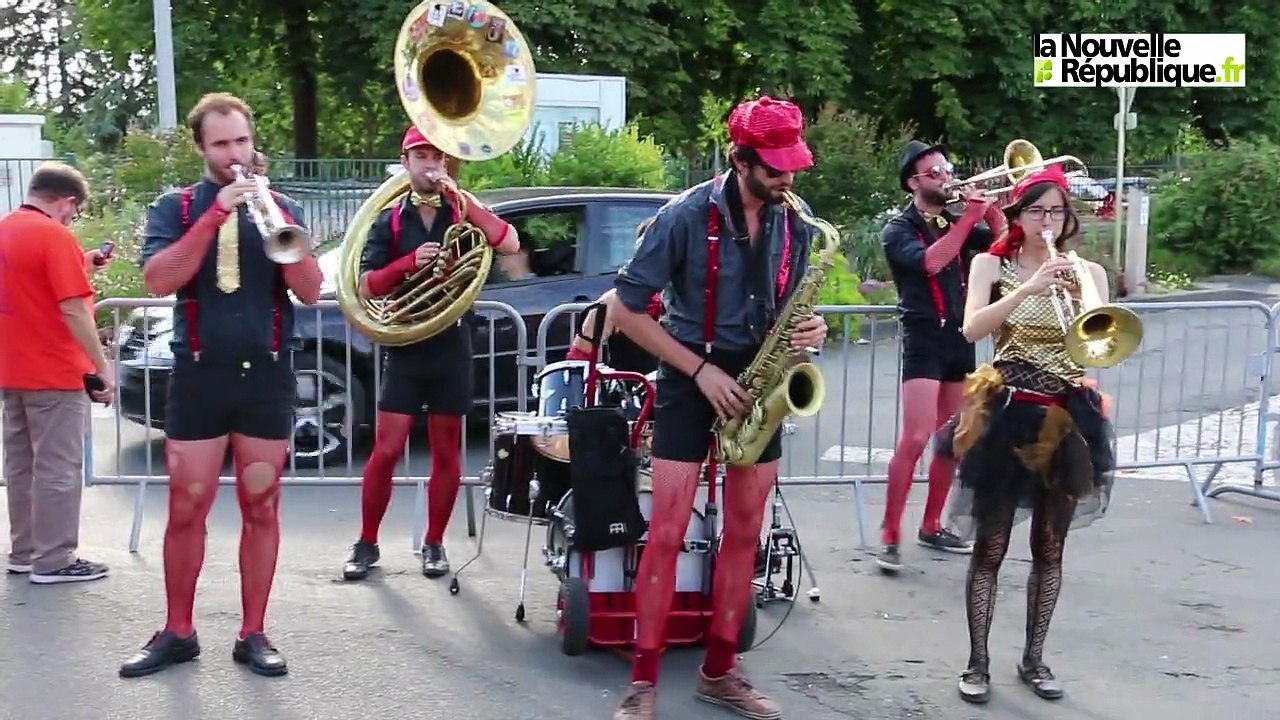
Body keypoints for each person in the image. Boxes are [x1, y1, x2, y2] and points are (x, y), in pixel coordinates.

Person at [608, 95, 828, 720]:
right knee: (668, 535)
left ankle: (720, 671)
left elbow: (790, 307)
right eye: (776, 168)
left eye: (793, 166)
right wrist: (700, 371)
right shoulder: (682, 216)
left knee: (745, 536)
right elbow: (625, 311)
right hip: (688, 377)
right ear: (740, 159)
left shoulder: (795, 222)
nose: (789, 179)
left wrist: (807, 331)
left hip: (759, 381)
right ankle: (643, 681)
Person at [118, 92, 324, 678]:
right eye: (221, 144)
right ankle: (177, 631)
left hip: (266, 375)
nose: (235, 154)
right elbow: (159, 280)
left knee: (262, 506)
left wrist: (278, 223)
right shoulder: (175, 208)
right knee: (186, 508)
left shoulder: (280, 206)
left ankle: (253, 632)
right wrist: (215, 214)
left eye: (241, 141)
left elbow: (309, 290)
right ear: (201, 148)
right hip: (200, 375)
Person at [934, 163, 1115, 704]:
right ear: (1015, 214)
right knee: (990, 545)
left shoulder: (1089, 272)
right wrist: (1029, 287)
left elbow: (1099, 345)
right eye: (1036, 211)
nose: (1048, 221)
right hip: (1008, 410)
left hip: (1066, 414)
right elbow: (971, 329)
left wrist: (1094, 377)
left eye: (1057, 211)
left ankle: (1035, 658)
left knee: (1050, 547)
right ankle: (977, 662)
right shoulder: (992, 262)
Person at [341, 126, 521, 582]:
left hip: (452, 344)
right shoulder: (389, 219)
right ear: (405, 163)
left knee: (446, 451)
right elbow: (366, 286)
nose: (429, 163)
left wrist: (467, 201)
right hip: (405, 345)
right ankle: (366, 543)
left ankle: (435, 543)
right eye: (420, 155)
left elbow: (509, 243)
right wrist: (408, 265)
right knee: (386, 449)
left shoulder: (462, 209)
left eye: (437, 155)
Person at [875, 140, 1007, 572]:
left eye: (947, 169)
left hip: (958, 336)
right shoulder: (899, 229)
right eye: (935, 173)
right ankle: (889, 533)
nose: (946, 177)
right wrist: (969, 217)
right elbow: (933, 262)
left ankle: (931, 525)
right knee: (914, 438)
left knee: (953, 438)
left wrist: (988, 208)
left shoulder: (955, 220)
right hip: (924, 336)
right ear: (913, 183)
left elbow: (1004, 243)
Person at [0, 162, 113, 584]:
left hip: (12, 367)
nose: (72, 218)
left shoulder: (5, 228)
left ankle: (25, 552)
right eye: (74, 211)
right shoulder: (54, 235)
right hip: (55, 369)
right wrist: (102, 367)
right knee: (58, 468)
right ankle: (55, 559)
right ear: (66, 202)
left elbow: (27, 287)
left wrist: (81, 263)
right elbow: (70, 308)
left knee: (21, 465)